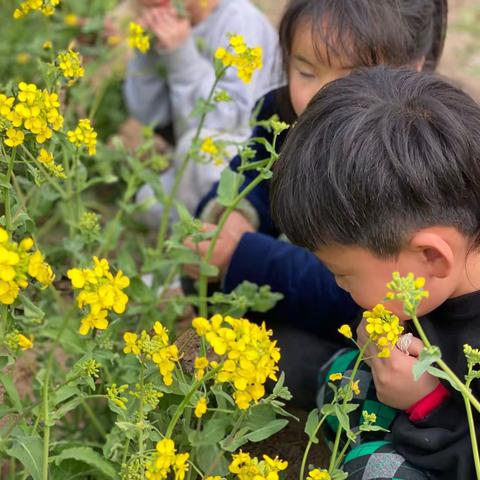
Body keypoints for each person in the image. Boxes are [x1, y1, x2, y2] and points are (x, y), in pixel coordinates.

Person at [185, 0, 448, 408]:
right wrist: (232, 215)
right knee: (204, 277)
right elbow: (248, 177)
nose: (320, 95)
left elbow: (366, 293)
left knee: (292, 359)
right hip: (306, 284)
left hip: (375, 324)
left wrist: (243, 256)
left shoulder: (408, 159)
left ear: (413, 67)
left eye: (353, 76)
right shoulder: (284, 113)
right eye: (305, 71)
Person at [270, 65, 480, 479]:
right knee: (341, 378)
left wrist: (428, 405)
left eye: (344, 275)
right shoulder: (434, 272)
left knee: (370, 470)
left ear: (432, 258)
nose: (338, 284)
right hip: (428, 413)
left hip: (458, 447)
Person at [124, 0, 282, 219]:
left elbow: (227, 119)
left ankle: (224, 237)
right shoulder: (176, 23)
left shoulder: (238, 18)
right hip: (197, 151)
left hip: (248, 157)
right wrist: (146, 50)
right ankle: (200, 231)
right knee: (146, 201)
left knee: (196, 150)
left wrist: (181, 54)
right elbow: (151, 114)